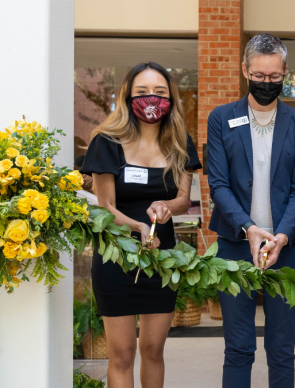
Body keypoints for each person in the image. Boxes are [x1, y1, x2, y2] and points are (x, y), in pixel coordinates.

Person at [81, 62, 202, 388]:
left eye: (160, 93)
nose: (152, 99)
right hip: (115, 257)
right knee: (121, 354)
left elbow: (182, 199)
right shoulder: (107, 142)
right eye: (143, 92)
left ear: (171, 98)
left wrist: (166, 207)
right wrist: (137, 227)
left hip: (161, 261)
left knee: (153, 349)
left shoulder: (180, 142)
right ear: (128, 96)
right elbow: (105, 207)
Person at [206, 34, 295, 388]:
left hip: (287, 248)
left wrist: (280, 235)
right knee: (238, 347)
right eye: (259, 76)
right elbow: (218, 185)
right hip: (235, 246)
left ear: (285, 72)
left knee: (282, 348)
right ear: (244, 71)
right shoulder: (221, 118)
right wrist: (248, 228)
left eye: (274, 76)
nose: (267, 83)